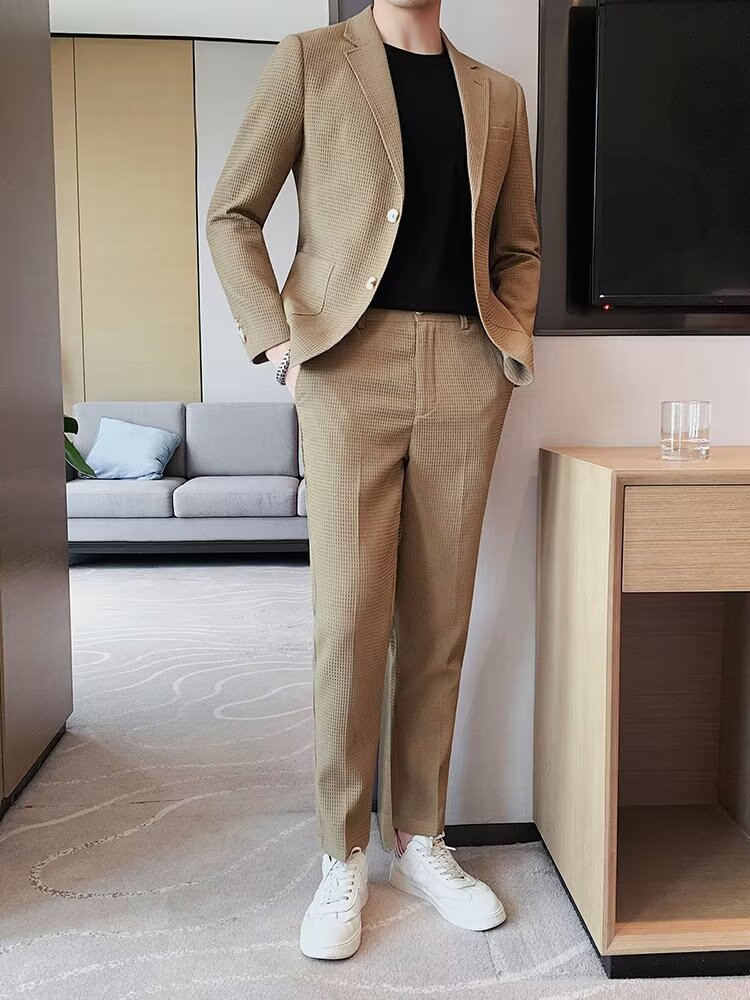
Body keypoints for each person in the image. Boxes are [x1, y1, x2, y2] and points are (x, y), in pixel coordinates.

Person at [206, 0, 540, 962]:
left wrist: (508, 344)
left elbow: (518, 246)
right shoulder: (310, 60)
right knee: (350, 619)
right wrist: (276, 340)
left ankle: (420, 838)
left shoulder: (499, 94)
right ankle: (341, 852)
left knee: (440, 617)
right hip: (346, 365)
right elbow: (233, 212)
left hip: (467, 366)